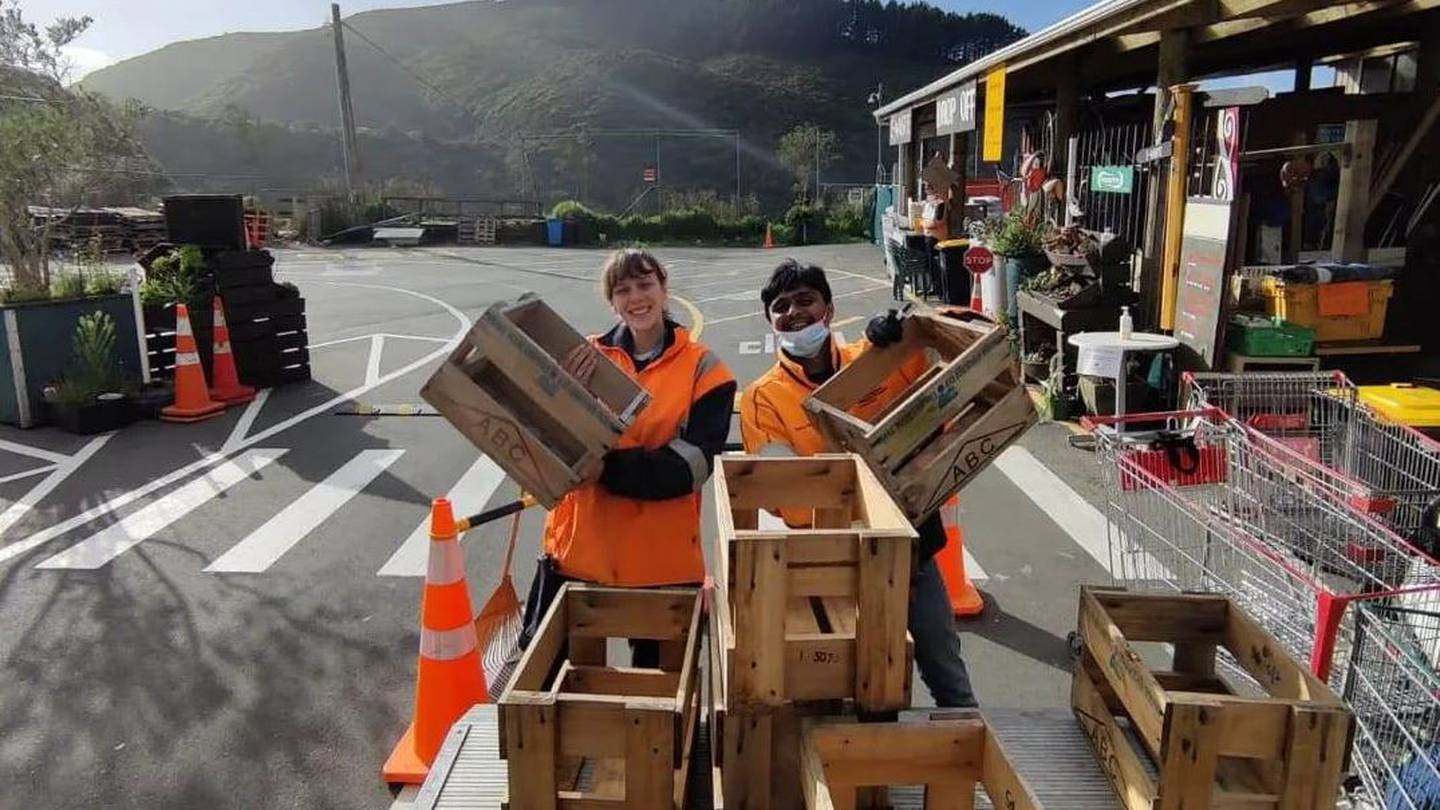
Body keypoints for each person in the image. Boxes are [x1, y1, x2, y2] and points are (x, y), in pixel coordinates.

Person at [738, 258, 978, 708]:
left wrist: (908, 324)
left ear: (829, 309)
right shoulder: (762, 399)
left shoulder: (877, 356)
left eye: (806, 300)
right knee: (844, 682)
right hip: (829, 564)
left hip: (910, 548)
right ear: (770, 321)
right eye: (781, 307)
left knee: (944, 666)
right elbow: (784, 501)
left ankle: (966, 763)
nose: (794, 313)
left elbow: (955, 347)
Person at [520, 248, 737, 667]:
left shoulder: (705, 369)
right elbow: (545, 437)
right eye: (623, 290)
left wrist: (604, 468)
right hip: (580, 550)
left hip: (660, 560)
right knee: (549, 687)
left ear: (663, 289)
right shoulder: (584, 357)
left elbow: (690, 467)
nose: (636, 297)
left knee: (659, 703)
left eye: (644, 285)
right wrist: (561, 389)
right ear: (611, 301)